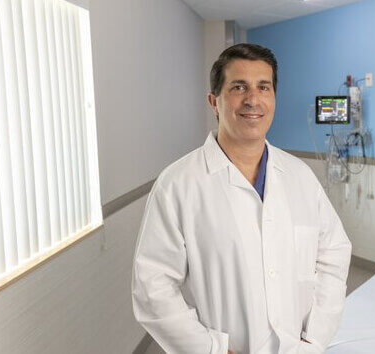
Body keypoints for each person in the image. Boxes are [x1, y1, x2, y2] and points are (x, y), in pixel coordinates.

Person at [132, 43, 352, 354]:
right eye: (239, 87)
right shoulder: (177, 184)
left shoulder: (300, 176)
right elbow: (152, 285)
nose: (253, 99)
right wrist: (210, 349)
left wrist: (315, 338)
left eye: (264, 87)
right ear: (214, 101)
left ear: (273, 98)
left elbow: (335, 254)